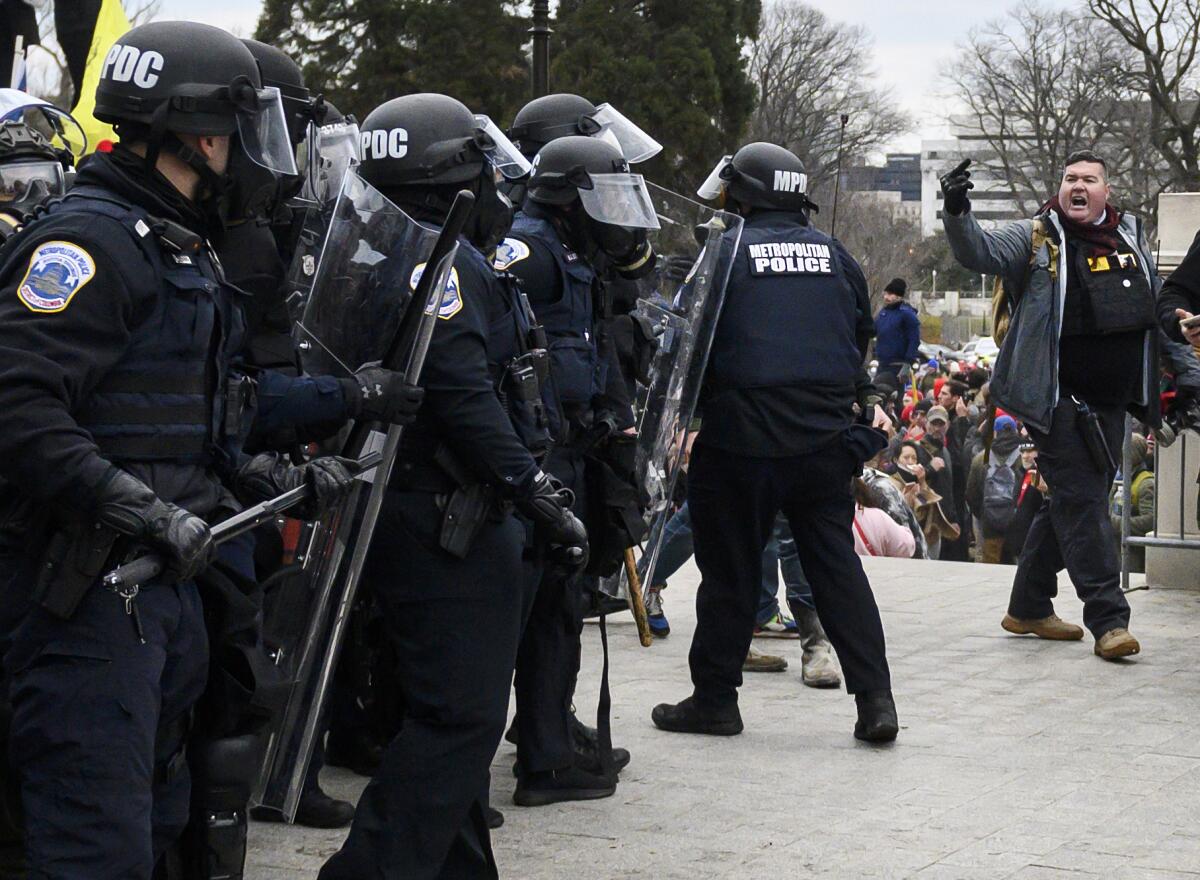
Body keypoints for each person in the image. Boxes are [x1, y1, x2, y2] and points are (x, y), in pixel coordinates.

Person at [0, 21, 358, 878]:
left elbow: (200, 415)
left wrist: (274, 475)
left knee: (163, 829)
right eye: (243, 134)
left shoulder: (177, 247)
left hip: (163, 590)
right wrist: (136, 506)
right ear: (200, 135)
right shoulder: (86, 243)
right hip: (88, 593)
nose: (256, 159)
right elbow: (16, 403)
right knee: (96, 847)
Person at [317, 93, 587, 880]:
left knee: (444, 711)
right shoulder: (444, 264)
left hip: (414, 509)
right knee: (459, 719)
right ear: (450, 183)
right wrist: (533, 486)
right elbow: (465, 393)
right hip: (451, 519)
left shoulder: (382, 252)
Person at [650, 142, 897, 743]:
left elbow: (685, 344)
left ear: (743, 193)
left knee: (730, 574)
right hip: (823, 446)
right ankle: (876, 704)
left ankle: (715, 700)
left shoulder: (725, 251)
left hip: (741, 445)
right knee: (837, 571)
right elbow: (857, 341)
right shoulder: (835, 255)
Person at [942, 150, 1156, 660]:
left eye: (1089, 179)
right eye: (1069, 178)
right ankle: (1108, 620)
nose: (1077, 186)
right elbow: (979, 251)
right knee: (1083, 502)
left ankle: (1029, 605)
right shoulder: (1037, 235)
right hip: (1053, 399)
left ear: (1107, 191)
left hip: (1112, 401)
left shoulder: (1132, 236)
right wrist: (956, 211)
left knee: (1068, 500)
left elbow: (1152, 306)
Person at [496, 134, 657, 806]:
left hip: (571, 452)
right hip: (536, 459)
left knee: (557, 609)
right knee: (527, 610)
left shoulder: (572, 252)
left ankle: (548, 744)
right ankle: (539, 760)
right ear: (567, 196)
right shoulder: (526, 252)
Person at [965, 415, 1024, 564]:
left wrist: (985, 514)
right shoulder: (1024, 457)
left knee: (991, 568)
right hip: (1018, 526)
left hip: (990, 526)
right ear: (1015, 431)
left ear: (995, 433)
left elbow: (972, 495)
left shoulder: (981, 459)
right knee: (1018, 567)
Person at [1109, 433, 1154, 572]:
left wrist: (1117, 522)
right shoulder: (1120, 478)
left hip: (1133, 554)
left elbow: (1151, 520)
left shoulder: (1146, 483)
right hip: (1115, 547)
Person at [873, 277, 921, 385]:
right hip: (882, 364)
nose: (886, 297)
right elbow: (874, 330)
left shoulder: (906, 314)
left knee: (880, 389)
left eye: (890, 294)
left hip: (897, 365)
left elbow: (914, 340)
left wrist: (908, 364)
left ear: (898, 296)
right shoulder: (884, 313)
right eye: (885, 294)